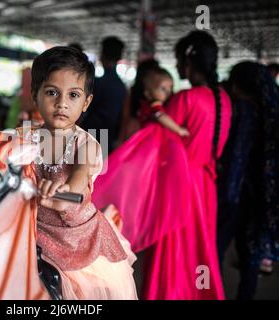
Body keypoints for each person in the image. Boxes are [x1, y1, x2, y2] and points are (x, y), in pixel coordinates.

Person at [92, 30, 232, 299]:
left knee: (174, 252)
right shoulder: (224, 99)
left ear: (189, 63)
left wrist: (115, 169)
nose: (177, 67)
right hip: (206, 185)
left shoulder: (185, 99)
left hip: (180, 186)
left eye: (180, 61)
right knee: (200, 250)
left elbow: (154, 142)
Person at [18, 46, 138, 299]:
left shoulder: (88, 144)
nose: (62, 103)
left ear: (86, 102)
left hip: (76, 242)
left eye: (73, 95)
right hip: (32, 231)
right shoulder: (24, 136)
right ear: (35, 94)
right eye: (52, 92)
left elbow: (80, 176)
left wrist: (64, 191)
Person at [217, 61, 279, 299]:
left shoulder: (243, 110)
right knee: (250, 257)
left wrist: (224, 196)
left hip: (238, 196)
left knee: (216, 248)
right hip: (263, 199)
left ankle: (212, 293)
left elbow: (236, 158)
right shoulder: (272, 109)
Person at [80, 36, 126, 151]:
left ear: (102, 55)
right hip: (110, 135)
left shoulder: (98, 83)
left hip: (92, 132)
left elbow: (86, 109)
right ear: (119, 57)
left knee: (87, 166)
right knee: (102, 166)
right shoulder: (121, 86)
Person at [137, 66, 189, 137]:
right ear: (148, 94)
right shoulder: (154, 105)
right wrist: (179, 130)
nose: (168, 92)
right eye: (163, 89)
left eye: (171, 87)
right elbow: (160, 116)